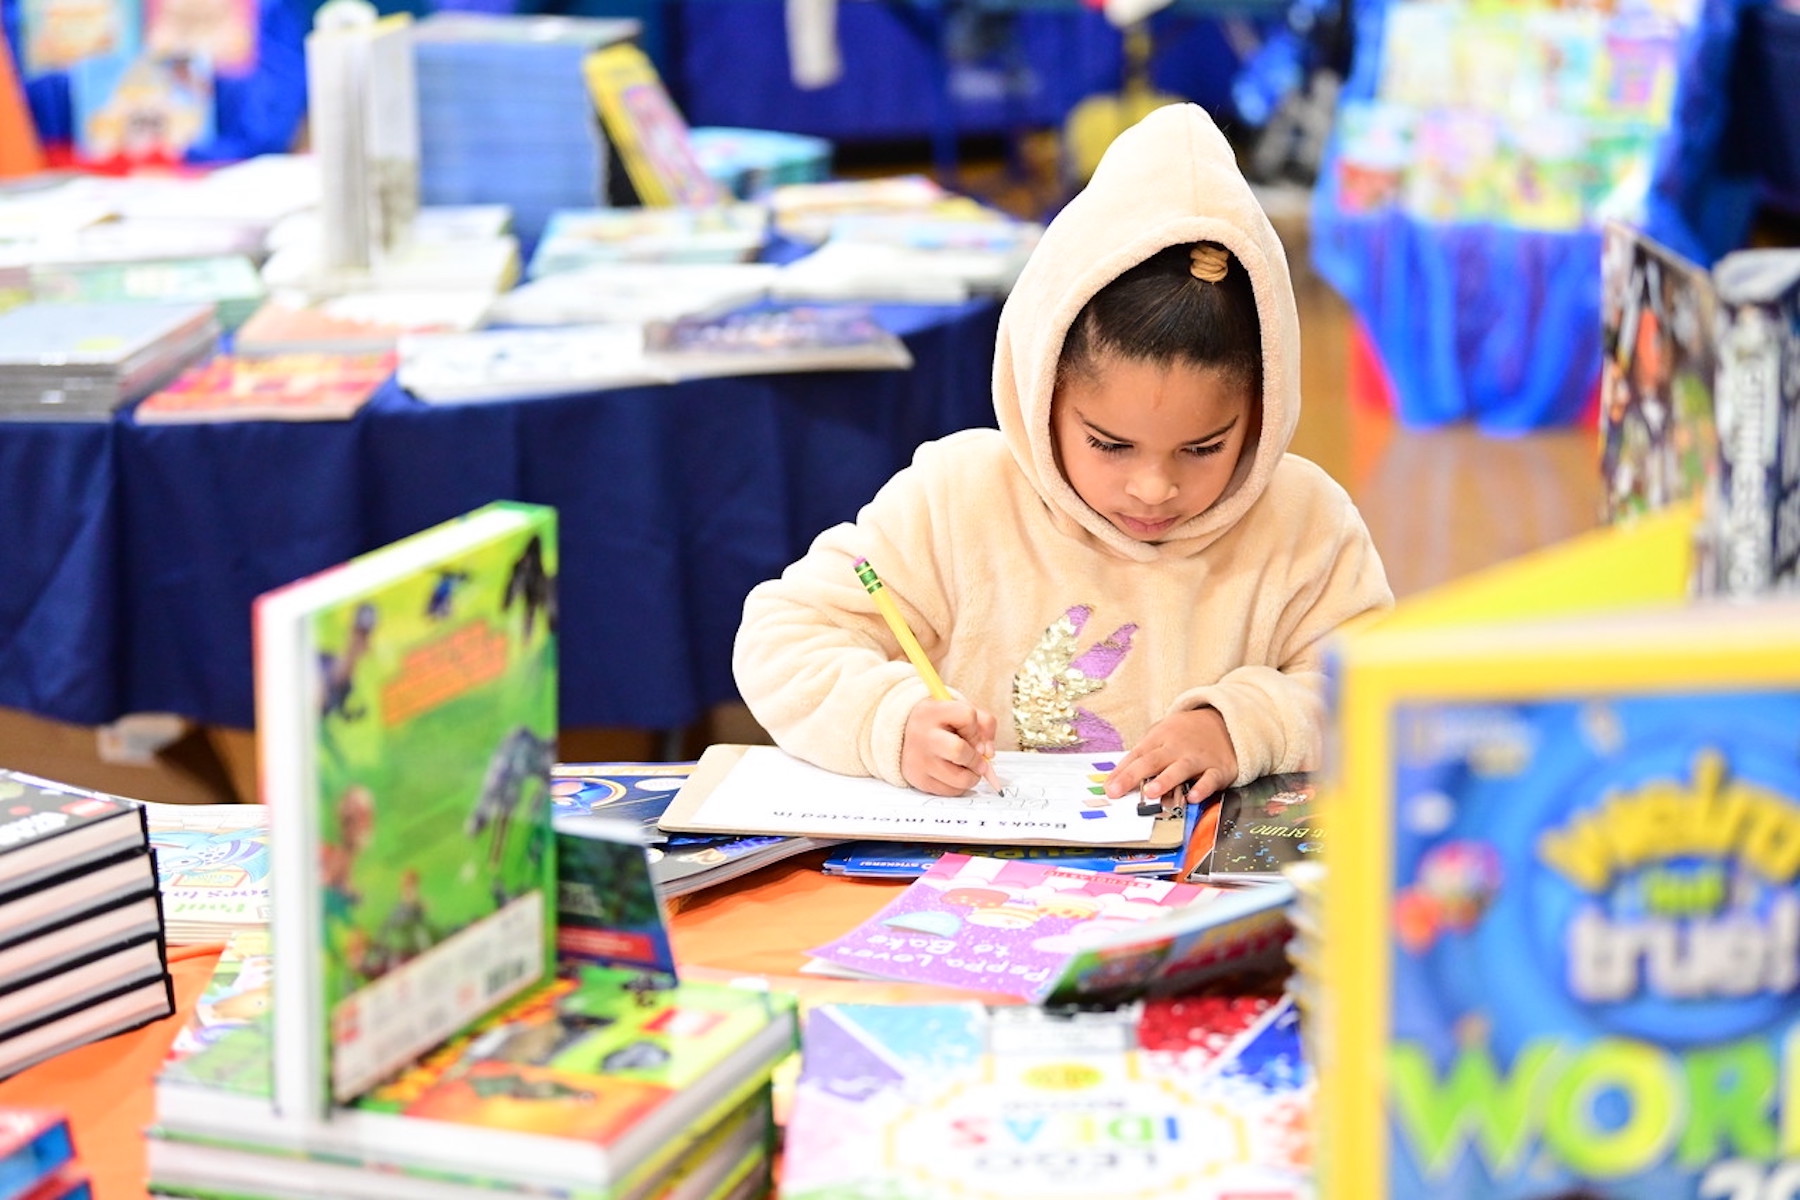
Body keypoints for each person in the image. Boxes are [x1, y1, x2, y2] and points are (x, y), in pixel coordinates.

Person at [732, 103, 1392, 804]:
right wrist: (892, 723)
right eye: (1109, 444)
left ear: (1262, 410)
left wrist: (1246, 728)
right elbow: (783, 639)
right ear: (1040, 387)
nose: (1152, 487)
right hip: (981, 886)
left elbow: (1377, 682)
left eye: (1204, 447)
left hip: (1196, 896)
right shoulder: (959, 496)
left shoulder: (1303, 519)